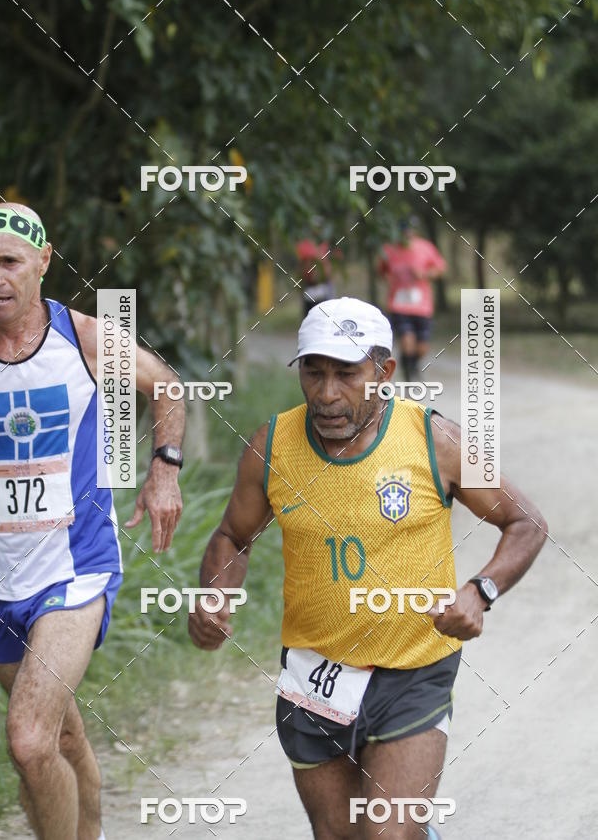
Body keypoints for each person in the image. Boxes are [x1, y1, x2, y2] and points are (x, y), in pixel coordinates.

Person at [188, 296, 547, 840]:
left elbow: (526, 523)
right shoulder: (271, 446)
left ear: (384, 372)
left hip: (414, 670)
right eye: (314, 372)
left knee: (388, 834)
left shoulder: (437, 439)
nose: (328, 394)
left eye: (347, 374)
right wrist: (216, 595)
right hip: (315, 673)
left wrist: (480, 591)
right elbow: (234, 537)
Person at [0, 202, 184, 840]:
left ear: (43, 263)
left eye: (9, 262)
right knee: (61, 736)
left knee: (27, 740)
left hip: (72, 571)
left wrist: (164, 471)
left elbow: (166, 386)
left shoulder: (83, 339)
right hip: (0, 580)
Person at [379, 218, 446, 381]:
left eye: (410, 229)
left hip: (422, 306)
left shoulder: (425, 247)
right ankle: (410, 373)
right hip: (399, 305)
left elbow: (440, 268)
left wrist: (425, 274)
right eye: (403, 230)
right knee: (407, 341)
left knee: (422, 347)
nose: (407, 233)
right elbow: (381, 270)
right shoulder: (389, 249)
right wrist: (390, 279)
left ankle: (411, 364)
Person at [296, 238, 337, 318]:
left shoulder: (323, 243)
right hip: (310, 286)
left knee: (327, 314)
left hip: (323, 285)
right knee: (311, 316)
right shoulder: (302, 245)